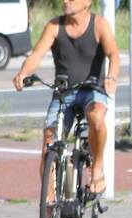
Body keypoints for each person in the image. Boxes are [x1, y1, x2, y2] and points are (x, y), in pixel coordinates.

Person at [13, 0, 120, 197]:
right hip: (64, 92)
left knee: (96, 116)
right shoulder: (55, 26)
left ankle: (96, 168)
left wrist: (111, 77)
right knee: (48, 146)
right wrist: (23, 73)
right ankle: (49, 213)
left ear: (87, 2)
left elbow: (113, 54)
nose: (65, 1)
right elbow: (37, 54)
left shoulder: (99, 25)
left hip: (92, 89)